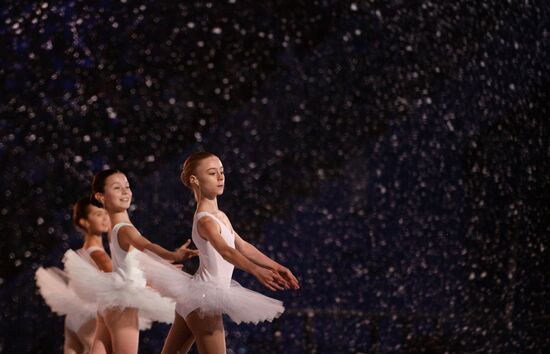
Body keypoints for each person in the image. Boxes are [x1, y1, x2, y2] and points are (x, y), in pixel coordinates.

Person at [138, 151, 300, 354]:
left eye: (222, 172)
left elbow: (242, 246)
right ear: (195, 180)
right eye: (213, 173)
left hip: (195, 296)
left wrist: (277, 266)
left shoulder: (219, 216)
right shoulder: (205, 220)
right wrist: (257, 271)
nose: (221, 177)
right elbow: (226, 252)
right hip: (204, 298)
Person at [64, 169, 198, 354]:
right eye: (117, 188)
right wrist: (174, 255)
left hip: (110, 303)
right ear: (101, 197)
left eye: (127, 186)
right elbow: (146, 245)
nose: (126, 191)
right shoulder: (125, 229)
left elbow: (129, 263)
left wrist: (158, 270)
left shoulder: (114, 229)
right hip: (122, 305)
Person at [35, 196, 111, 354]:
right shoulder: (97, 253)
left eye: (106, 213)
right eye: (98, 214)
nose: (105, 218)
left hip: (75, 317)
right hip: (90, 315)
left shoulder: (83, 251)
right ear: (84, 222)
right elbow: (121, 279)